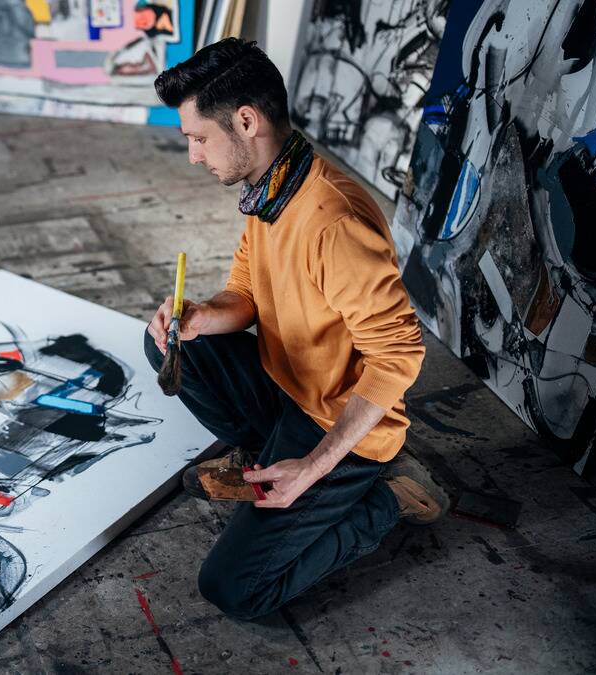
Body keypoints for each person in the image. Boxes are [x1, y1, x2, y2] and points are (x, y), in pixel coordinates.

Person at [144, 38, 448, 620]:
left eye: (198, 139)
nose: (194, 156)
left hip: (338, 423)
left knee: (232, 588)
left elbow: (400, 355)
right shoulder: (270, 186)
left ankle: (382, 499)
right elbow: (248, 294)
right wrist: (202, 315)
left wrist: (312, 466)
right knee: (170, 343)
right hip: (289, 389)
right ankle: (268, 451)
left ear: (246, 121)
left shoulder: (333, 221)